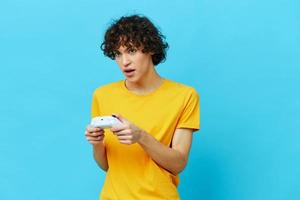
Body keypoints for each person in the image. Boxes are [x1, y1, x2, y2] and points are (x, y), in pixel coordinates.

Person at [85, 14, 200, 200]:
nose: (124, 62)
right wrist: (97, 143)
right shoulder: (102, 95)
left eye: (131, 50)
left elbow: (178, 164)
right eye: (117, 54)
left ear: (151, 49)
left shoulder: (184, 96)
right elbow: (107, 165)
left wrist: (140, 136)